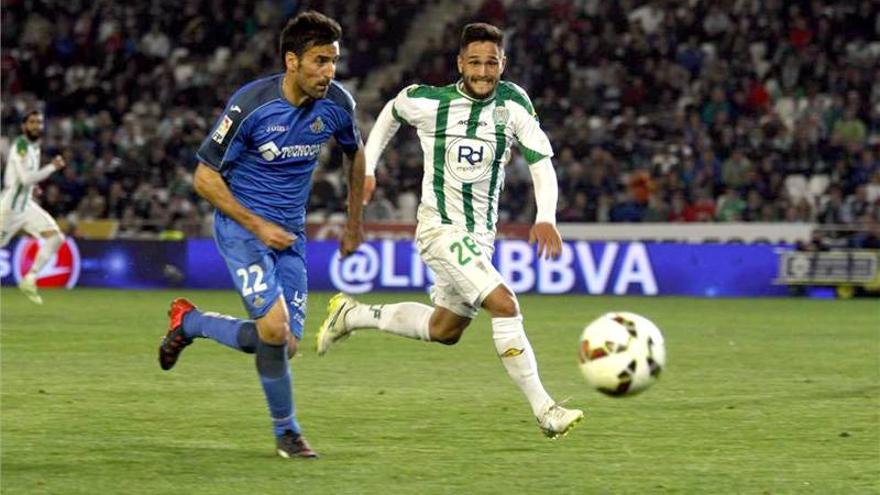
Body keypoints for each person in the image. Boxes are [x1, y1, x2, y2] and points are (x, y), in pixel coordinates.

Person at [316, 23, 583, 439]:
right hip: (439, 230)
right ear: (460, 63)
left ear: (503, 64)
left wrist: (545, 215)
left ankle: (352, 315)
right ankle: (546, 410)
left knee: (445, 330)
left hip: (479, 240)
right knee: (505, 303)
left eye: (491, 63)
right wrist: (369, 167)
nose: (482, 72)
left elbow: (540, 162)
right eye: (474, 62)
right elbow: (392, 109)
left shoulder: (513, 104)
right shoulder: (431, 101)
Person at [157, 11, 365, 459]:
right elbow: (204, 178)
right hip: (242, 229)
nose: (329, 71)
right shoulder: (251, 105)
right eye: (320, 61)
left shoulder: (338, 105)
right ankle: (287, 432)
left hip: (288, 234)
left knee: (284, 344)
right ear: (292, 61)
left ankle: (189, 323)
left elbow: (356, 155)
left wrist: (354, 224)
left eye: (333, 61)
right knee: (273, 329)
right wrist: (257, 225)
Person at [0, 110, 67, 305]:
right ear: (24, 126)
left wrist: (34, 187)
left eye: (39, 122)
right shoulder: (20, 145)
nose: (36, 125)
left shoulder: (34, 147)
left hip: (26, 206)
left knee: (56, 237)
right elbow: (26, 178)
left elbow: (22, 177)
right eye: (32, 122)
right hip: (10, 209)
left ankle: (30, 279)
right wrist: (52, 167)